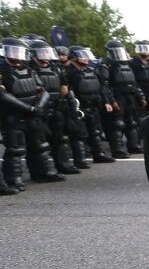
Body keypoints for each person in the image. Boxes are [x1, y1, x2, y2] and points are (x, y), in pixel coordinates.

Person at [1, 37, 66, 191]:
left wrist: (39, 106)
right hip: (13, 115)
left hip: (33, 113)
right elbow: (3, 95)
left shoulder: (29, 69)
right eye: (13, 51)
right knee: (15, 149)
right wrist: (27, 108)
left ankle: (45, 173)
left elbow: (43, 90)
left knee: (40, 145)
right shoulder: (2, 70)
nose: (16, 55)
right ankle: (14, 179)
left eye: (19, 51)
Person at [28, 39, 81, 175]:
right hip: (38, 109)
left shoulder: (56, 67)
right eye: (42, 53)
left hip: (56, 107)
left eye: (46, 53)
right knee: (39, 143)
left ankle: (63, 165)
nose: (45, 56)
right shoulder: (29, 69)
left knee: (59, 138)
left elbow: (64, 87)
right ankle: (40, 172)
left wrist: (68, 103)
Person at [65, 46, 116, 165]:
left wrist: (106, 102)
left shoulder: (91, 70)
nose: (86, 58)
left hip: (93, 106)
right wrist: (73, 106)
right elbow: (67, 90)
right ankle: (80, 160)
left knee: (95, 132)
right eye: (82, 56)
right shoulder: (68, 72)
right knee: (79, 134)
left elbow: (101, 87)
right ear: (73, 57)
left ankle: (99, 154)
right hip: (79, 107)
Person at [97, 39, 147, 156]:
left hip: (130, 96)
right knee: (117, 123)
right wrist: (111, 100)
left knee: (132, 122)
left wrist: (141, 96)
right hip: (117, 96)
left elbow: (134, 82)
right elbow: (105, 85)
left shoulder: (127, 64)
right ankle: (118, 149)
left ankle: (133, 145)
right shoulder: (105, 64)